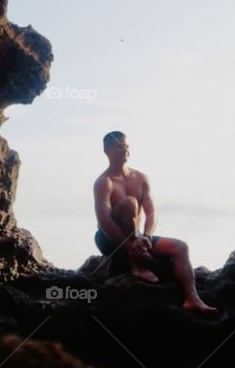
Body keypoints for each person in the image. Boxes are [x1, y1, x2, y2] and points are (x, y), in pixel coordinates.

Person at [93, 131, 218, 313]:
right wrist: (131, 248)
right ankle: (137, 265)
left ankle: (192, 298)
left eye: (126, 146)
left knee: (180, 247)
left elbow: (152, 213)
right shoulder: (104, 182)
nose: (125, 149)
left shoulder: (140, 178)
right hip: (109, 238)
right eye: (119, 146)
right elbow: (103, 220)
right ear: (107, 150)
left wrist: (148, 238)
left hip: (137, 237)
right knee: (130, 203)